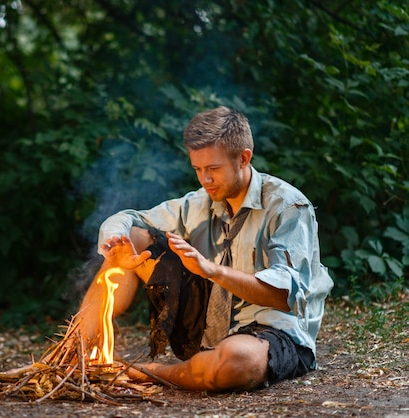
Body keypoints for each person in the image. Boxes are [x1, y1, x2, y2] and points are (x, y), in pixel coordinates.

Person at [74, 106, 334, 392]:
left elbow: (282, 296)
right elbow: (129, 218)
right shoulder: (200, 202)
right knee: (132, 238)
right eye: (198, 169)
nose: (204, 180)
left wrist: (212, 271)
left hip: (271, 332)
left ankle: (152, 372)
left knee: (235, 363)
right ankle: (75, 354)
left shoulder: (287, 207)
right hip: (206, 326)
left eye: (213, 169)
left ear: (244, 158)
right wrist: (115, 240)